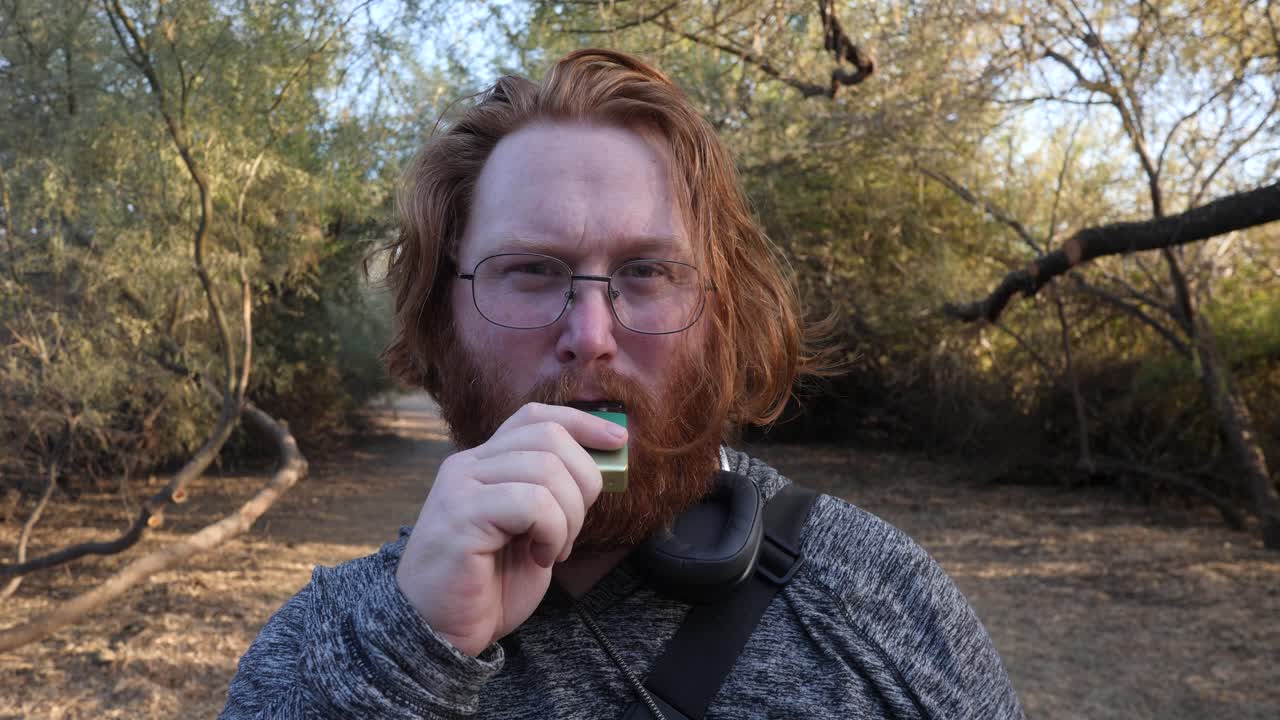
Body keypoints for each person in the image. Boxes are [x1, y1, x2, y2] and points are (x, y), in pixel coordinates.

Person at [220, 48, 1023, 719]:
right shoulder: (317, 652)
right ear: (441, 320)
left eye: (649, 272)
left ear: (723, 316)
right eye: (531, 271)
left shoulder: (885, 602)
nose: (592, 338)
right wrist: (409, 656)